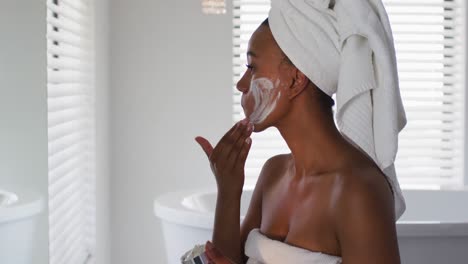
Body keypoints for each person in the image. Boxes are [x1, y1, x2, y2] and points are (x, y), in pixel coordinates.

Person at [195, 0, 406, 263]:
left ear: (295, 80)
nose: (241, 84)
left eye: (252, 68)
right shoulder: (273, 174)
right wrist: (228, 189)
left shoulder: (358, 191)